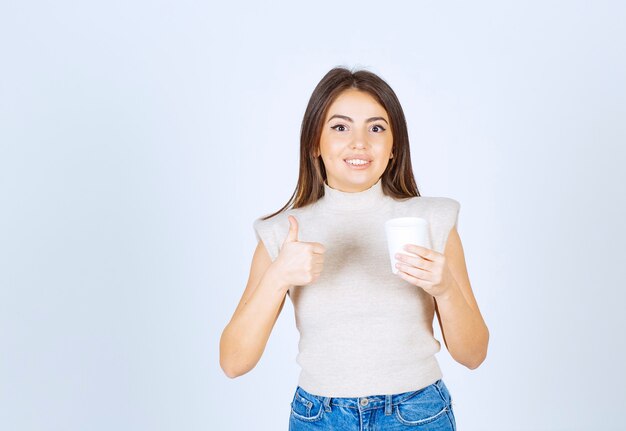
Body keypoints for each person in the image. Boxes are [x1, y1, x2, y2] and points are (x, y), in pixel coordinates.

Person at [220, 66, 489, 430]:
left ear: (394, 147)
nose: (360, 142)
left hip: (417, 414)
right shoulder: (283, 232)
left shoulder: (433, 219)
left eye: (376, 127)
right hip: (320, 417)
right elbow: (233, 362)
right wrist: (278, 276)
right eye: (340, 127)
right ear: (315, 143)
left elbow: (473, 355)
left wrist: (444, 288)